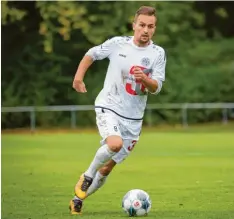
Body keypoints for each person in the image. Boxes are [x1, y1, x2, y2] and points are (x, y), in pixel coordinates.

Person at [69, 5, 166, 215]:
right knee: (114, 144)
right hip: (109, 105)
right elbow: (91, 54)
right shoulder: (117, 44)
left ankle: (77, 199)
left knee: (107, 168)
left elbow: (157, 87)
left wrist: (146, 79)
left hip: (133, 119)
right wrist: (78, 77)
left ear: (154, 28)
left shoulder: (158, 53)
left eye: (150, 26)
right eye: (142, 25)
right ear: (134, 25)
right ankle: (87, 175)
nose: (146, 30)